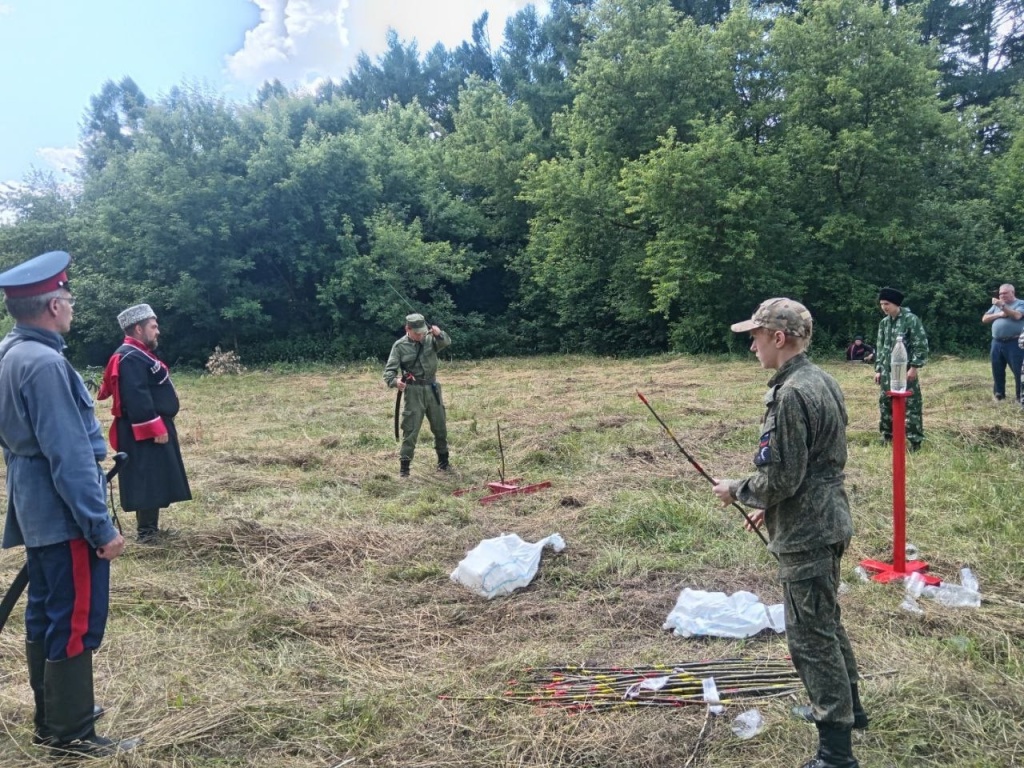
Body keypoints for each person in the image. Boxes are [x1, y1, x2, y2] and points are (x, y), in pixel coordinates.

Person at [712, 298, 863, 768]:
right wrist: (772, 506)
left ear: (780, 338)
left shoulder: (791, 392)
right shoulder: (822, 379)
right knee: (826, 623)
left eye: (755, 336)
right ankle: (849, 710)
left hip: (808, 532)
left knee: (811, 639)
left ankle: (835, 752)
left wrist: (738, 490)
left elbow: (781, 477)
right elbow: (815, 465)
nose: (751, 345)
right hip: (826, 518)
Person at [0, 251, 140, 756]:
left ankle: (53, 715)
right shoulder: (42, 363)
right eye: (69, 299)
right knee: (76, 618)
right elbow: (71, 457)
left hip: (35, 507)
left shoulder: (10, 352)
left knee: (46, 613)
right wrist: (101, 529)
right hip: (64, 515)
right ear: (54, 306)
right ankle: (72, 733)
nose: (72, 307)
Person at [97, 303, 191, 543]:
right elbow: (136, 396)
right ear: (138, 328)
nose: (157, 330)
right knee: (147, 478)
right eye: (153, 326)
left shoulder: (139, 353)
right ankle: (146, 534)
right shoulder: (128, 356)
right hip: (145, 429)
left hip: (154, 425)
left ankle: (151, 528)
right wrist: (153, 427)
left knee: (156, 475)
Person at [383, 313, 451, 477]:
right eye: (417, 333)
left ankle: (444, 463)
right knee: (410, 429)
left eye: (422, 332)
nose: (420, 336)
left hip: (433, 389)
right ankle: (404, 469)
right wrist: (395, 382)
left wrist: (439, 333)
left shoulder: (430, 339)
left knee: (440, 427)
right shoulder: (399, 346)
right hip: (413, 391)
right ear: (408, 329)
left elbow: (446, 342)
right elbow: (389, 373)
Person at [874, 287, 928, 451]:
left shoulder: (910, 320)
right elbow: (881, 347)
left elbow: (921, 345)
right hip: (886, 372)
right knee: (885, 404)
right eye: (882, 304)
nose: (884, 307)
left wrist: (914, 368)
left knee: (911, 405)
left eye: (887, 303)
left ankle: (914, 441)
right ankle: (887, 435)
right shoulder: (884, 323)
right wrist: (878, 369)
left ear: (896, 304)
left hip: (905, 371)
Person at [981, 283, 1024, 403]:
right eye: (1000, 293)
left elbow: (1016, 316)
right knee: (997, 369)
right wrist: (999, 313)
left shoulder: (1020, 303)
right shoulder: (997, 306)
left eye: (1005, 293)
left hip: (1015, 342)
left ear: (1012, 292)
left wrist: (1003, 306)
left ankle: (1020, 398)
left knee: (1018, 370)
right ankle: (999, 395)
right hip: (997, 342)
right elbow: (984, 319)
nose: (1002, 295)